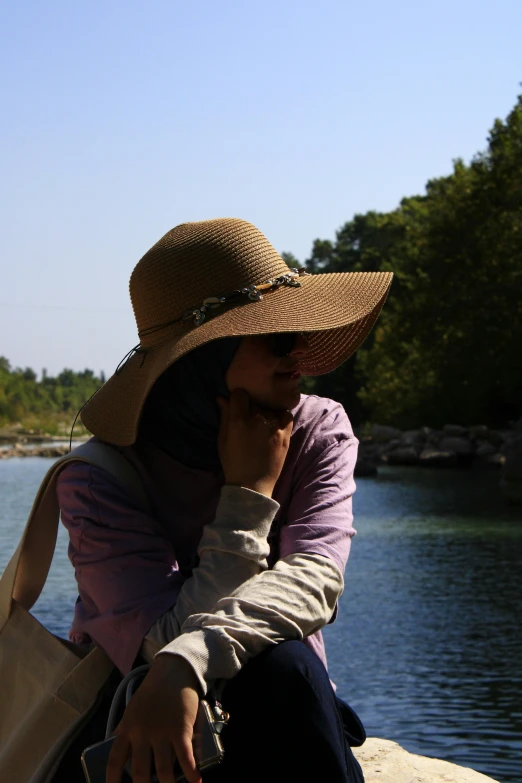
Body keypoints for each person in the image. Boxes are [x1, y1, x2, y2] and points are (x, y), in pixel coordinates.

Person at [54, 218, 393, 783]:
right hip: (140, 727)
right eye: (278, 337)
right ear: (201, 358)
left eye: (302, 331)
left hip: (285, 703)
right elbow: (152, 646)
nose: (300, 354)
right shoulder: (99, 479)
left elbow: (315, 580)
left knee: (282, 664)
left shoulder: (318, 430)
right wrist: (248, 496)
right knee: (277, 665)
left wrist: (194, 655)